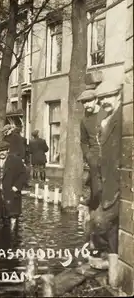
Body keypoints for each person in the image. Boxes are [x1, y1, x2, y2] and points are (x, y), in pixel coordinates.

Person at [88, 80, 122, 270]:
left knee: (101, 220)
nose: (104, 102)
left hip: (119, 180)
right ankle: (111, 259)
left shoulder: (122, 116)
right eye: (101, 99)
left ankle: (112, 259)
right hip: (106, 179)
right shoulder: (105, 120)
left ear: (118, 95)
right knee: (107, 223)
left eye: (108, 96)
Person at [77, 87, 107, 209]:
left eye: (88, 101)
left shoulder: (106, 114)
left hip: (109, 155)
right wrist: (88, 155)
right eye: (83, 102)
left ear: (96, 100)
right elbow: (83, 141)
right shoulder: (84, 120)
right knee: (95, 187)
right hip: (94, 157)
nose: (86, 105)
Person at [0, 140, 27, 231]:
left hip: (11, 193)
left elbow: (23, 174)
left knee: (13, 216)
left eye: (4, 150)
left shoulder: (15, 160)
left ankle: (14, 239)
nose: (1, 153)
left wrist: (16, 187)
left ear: (8, 150)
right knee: (2, 217)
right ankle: (4, 238)